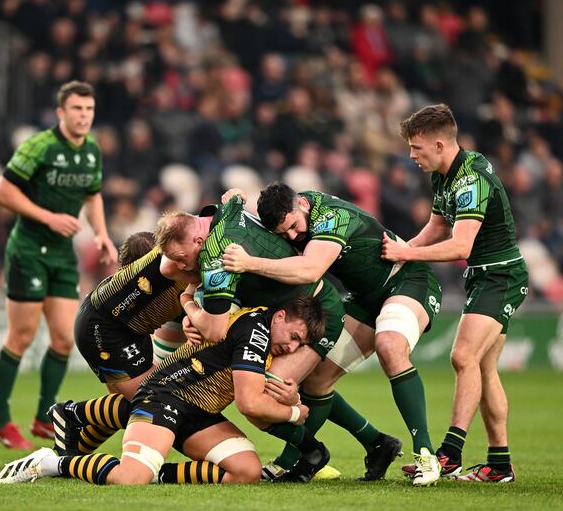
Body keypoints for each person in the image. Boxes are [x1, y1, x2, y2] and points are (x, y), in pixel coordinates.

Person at [155, 196, 401, 483]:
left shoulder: (217, 256)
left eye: (182, 257)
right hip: (284, 309)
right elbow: (170, 265)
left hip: (313, 311)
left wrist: (188, 302)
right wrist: (195, 304)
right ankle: (376, 442)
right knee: (288, 389)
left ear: (198, 240)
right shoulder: (223, 212)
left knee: (263, 399)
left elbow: (212, 330)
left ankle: (308, 455)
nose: (180, 266)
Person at [221, 182, 443, 486]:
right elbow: (266, 224)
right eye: (283, 234)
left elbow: (310, 269)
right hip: (365, 298)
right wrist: (235, 203)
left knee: (390, 346)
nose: (292, 236)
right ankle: (378, 444)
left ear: (302, 204)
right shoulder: (295, 212)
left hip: (408, 280)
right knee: (316, 378)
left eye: (294, 227)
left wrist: (248, 263)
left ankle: (426, 455)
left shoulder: (331, 217)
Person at [0, 295, 325, 486]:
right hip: (166, 394)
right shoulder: (257, 332)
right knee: (129, 478)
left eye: (300, 344)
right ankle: (49, 463)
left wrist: (290, 397)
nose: (292, 347)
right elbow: (250, 403)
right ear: (280, 316)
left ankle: (152, 472)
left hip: (198, 410)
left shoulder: (260, 327)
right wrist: (295, 412)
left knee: (246, 471)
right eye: (294, 336)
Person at [383, 104, 527, 483]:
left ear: (441, 144)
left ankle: (450, 453)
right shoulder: (445, 175)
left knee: (463, 356)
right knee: (482, 366)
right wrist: (401, 254)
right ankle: (499, 464)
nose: (411, 156)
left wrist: (407, 253)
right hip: (484, 277)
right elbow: (437, 227)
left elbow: (460, 246)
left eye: (417, 148)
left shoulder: (470, 181)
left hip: (501, 276)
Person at [0, 80, 118, 450]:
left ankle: (44, 417)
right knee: (22, 336)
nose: (84, 116)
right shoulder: (40, 146)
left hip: (62, 254)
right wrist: (48, 217)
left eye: (89, 110)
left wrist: (102, 233)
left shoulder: (92, 150)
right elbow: (3, 193)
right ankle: (0, 420)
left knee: (64, 339)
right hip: (28, 249)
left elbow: (92, 195)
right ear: (61, 112)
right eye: (77, 109)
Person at [48, 231, 195, 457]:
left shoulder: (162, 284)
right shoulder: (158, 283)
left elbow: (168, 349)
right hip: (106, 332)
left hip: (118, 331)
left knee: (131, 403)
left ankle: (72, 450)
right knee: (153, 402)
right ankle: (70, 412)